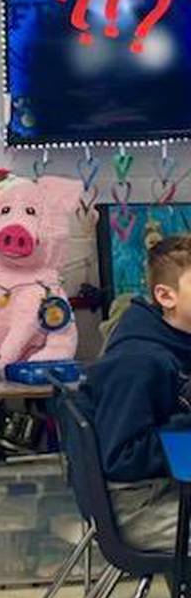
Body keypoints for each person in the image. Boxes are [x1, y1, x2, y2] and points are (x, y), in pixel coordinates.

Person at [82, 234, 191, 551]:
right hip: (140, 508)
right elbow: (124, 458)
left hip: (168, 488)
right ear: (166, 296)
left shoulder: (172, 340)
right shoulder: (138, 360)